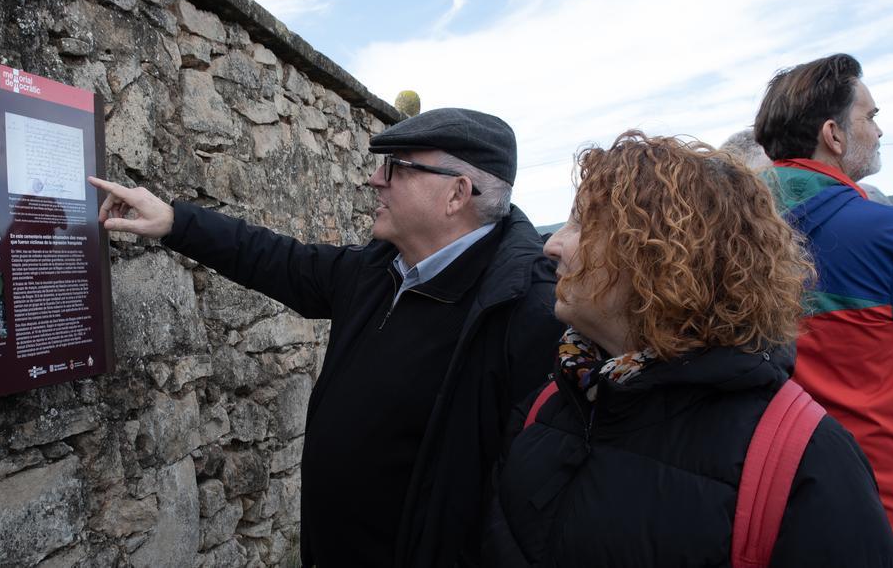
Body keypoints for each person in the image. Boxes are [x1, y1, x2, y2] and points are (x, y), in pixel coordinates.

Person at [89, 107, 565, 567]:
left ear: (457, 194)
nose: (376, 179)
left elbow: (525, 506)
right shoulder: (378, 269)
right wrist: (174, 221)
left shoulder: (524, 312)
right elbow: (275, 259)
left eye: (396, 167)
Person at [484, 131, 893, 567]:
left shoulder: (801, 458)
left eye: (583, 224)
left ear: (662, 257)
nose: (552, 245)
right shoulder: (553, 400)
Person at [753, 53, 893, 565]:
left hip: (760, 493)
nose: (879, 131)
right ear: (834, 134)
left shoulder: (728, 231)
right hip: (877, 497)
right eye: (871, 117)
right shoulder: (886, 232)